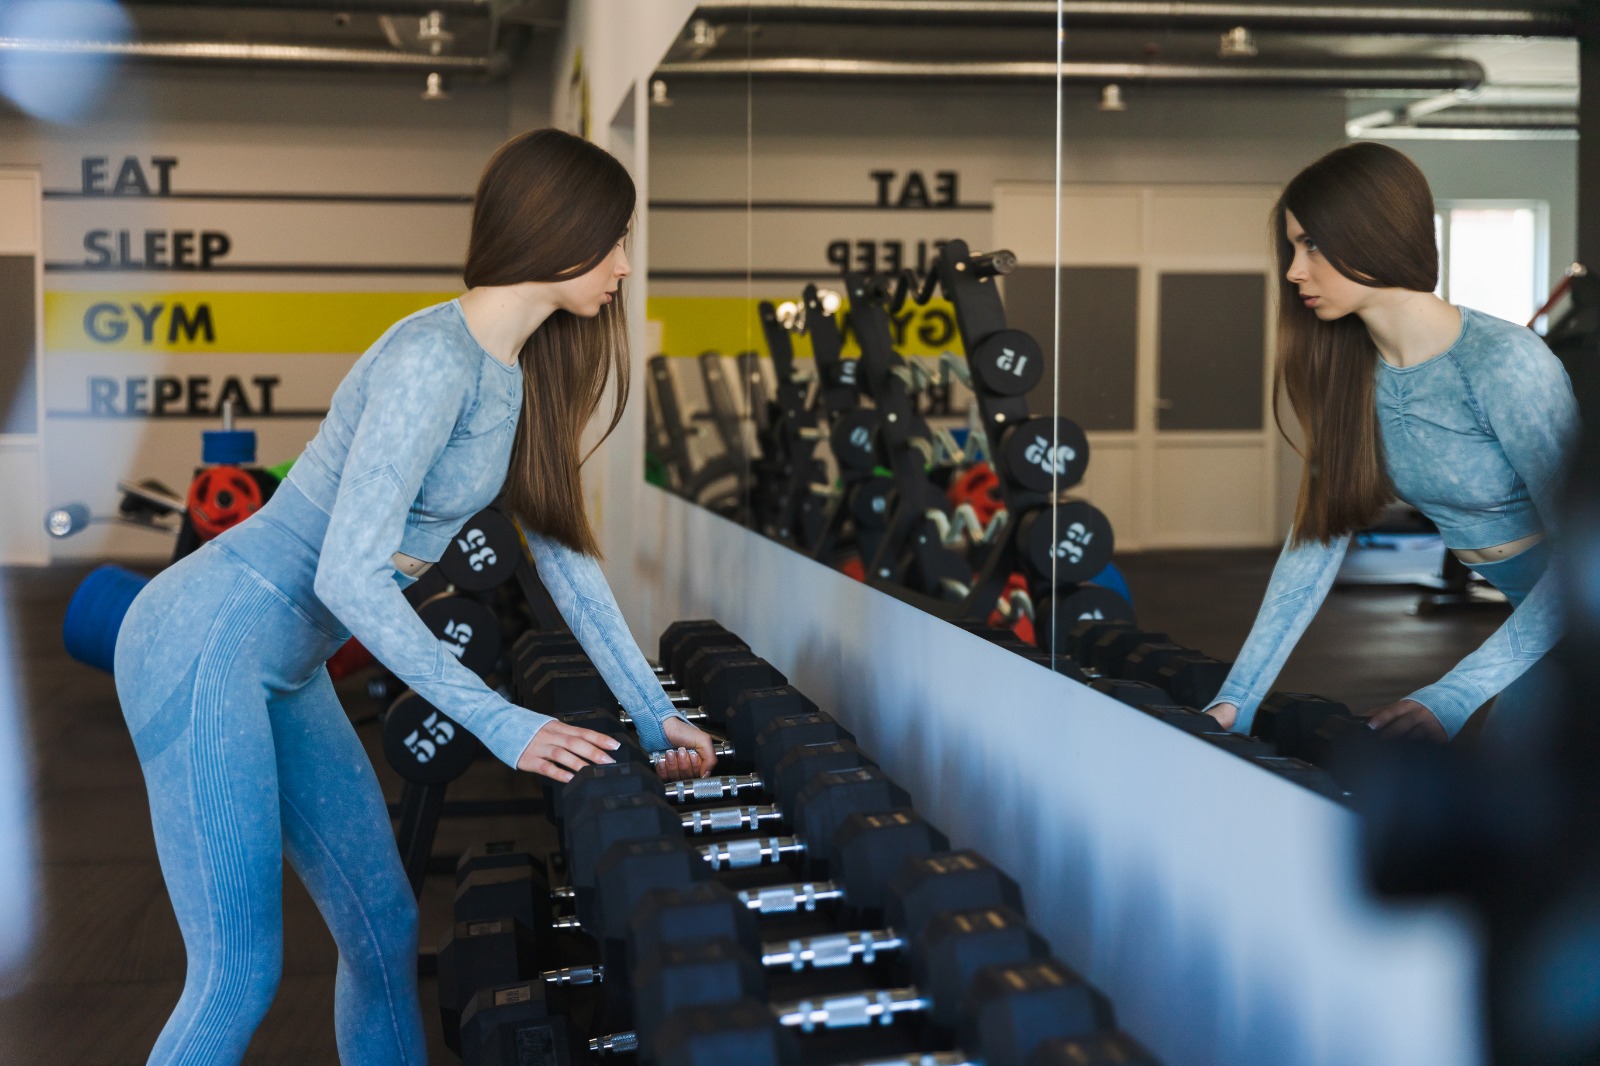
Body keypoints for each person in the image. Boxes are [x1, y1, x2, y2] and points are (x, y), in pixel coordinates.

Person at [111, 128, 716, 1065]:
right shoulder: (433, 358)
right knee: (238, 974)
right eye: (614, 239)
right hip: (204, 639)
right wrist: (502, 721)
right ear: (558, 231)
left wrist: (651, 713)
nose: (625, 267)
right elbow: (346, 573)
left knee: (387, 928)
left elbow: (563, 554)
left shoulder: (516, 372)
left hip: (288, 661)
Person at [1204, 142, 1580, 743]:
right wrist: (1236, 698)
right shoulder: (1354, 375)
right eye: (1293, 247)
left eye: (1314, 246)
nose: (1295, 270)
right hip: (1541, 620)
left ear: (1375, 236)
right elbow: (1316, 542)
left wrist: (1452, 692)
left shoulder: (1502, 363)